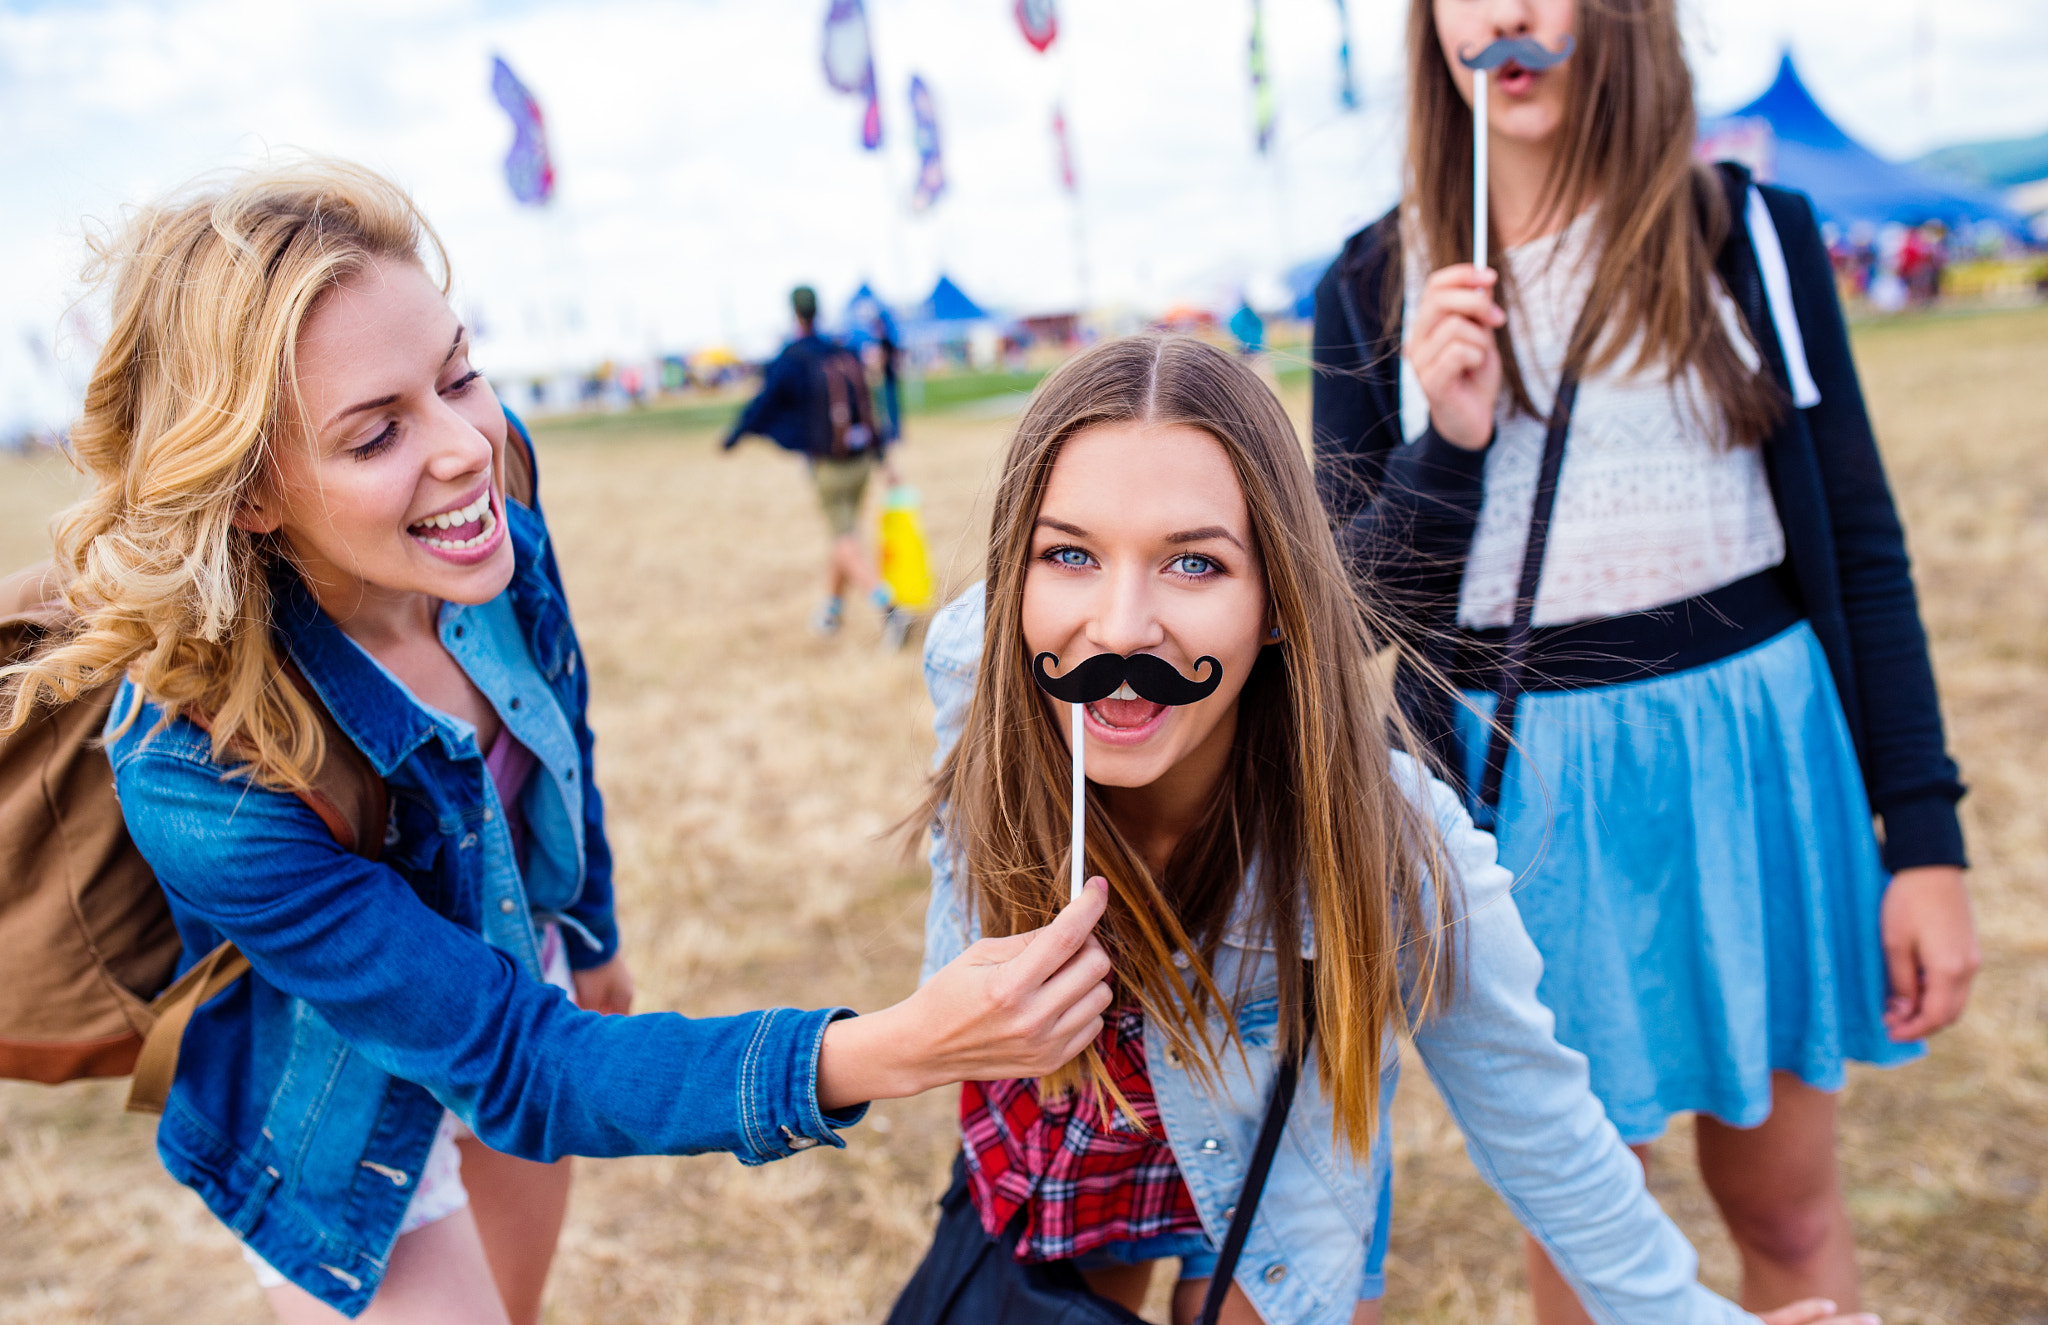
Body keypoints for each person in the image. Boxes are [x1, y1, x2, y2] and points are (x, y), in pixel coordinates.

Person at [0, 160, 1116, 1324]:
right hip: (328, 1101)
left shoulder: (490, 501)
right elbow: (521, 1062)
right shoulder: (191, 770)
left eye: (458, 375)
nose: (463, 447)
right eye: (376, 433)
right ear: (249, 495)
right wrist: (885, 1047)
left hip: (511, 968)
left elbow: (559, 724)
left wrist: (589, 929)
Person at [907, 333, 1869, 1325]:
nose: (1119, 628)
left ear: (1279, 600)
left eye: (1192, 562)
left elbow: (1530, 1108)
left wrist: (1679, 1312)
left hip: (1278, 1169)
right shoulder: (973, 669)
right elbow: (959, 905)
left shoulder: (1393, 839)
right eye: (1068, 553)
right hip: (1073, 1123)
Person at [1309, 2, 1978, 1320]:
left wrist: (1930, 839)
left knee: (1785, 1206)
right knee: (1597, 1241)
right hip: (1531, 797)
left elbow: (1863, 548)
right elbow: (1354, 619)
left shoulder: (1748, 240)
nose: (1508, 15)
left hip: (1759, 770)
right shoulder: (1375, 285)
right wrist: (1448, 440)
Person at [723, 286, 912, 647]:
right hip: (860, 463)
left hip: (829, 465)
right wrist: (883, 458)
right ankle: (831, 611)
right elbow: (868, 406)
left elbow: (763, 403)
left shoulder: (793, 358)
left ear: (794, 313)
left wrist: (735, 436)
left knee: (843, 539)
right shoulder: (841, 351)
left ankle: (888, 608)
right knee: (844, 537)